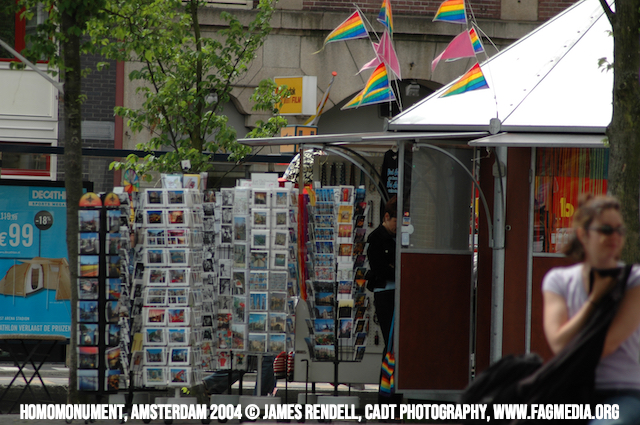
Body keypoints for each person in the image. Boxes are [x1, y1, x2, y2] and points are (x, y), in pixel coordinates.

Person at [542, 194, 640, 424]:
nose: (614, 236)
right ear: (583, 234)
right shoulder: (558, 280)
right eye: (606, 229)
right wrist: (594, 299)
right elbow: (558, 344)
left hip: (623, 392)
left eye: (619, 230)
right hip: (571, 391)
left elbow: (607, 344)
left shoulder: (634, 280)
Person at [366, 196, 397, 351]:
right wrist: (395, 270)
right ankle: (387, 367)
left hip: (397, 292)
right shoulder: (376, 238)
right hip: (385, 293)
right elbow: (380, 269)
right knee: (391, 341)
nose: (398, 227)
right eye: (396, 221)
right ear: (386, 217)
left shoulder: (398, 238)